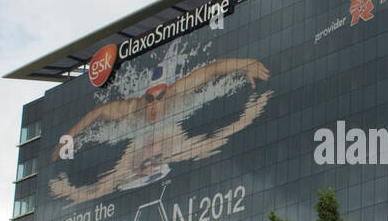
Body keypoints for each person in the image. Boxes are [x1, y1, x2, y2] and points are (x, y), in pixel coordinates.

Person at [48, 57, 271, 205]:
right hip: (140, 140)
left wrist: (245, 64)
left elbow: (212, 70)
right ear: (143, 99)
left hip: (169, 136)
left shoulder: (177, 94)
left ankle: (251, 114)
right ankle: (63, 191)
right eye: (149, 99)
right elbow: (96, 114)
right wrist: (67, 138)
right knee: (107, 185)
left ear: (168, 94)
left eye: (160, 98)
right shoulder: (131, 109)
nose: (154, 105)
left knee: (207, 146)